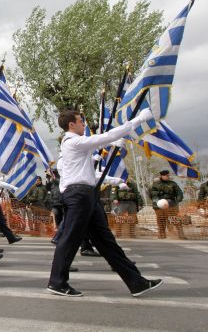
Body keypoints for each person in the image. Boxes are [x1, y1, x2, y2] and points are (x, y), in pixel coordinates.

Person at [47, 108, 162, 297]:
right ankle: (57, 282)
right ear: (71, 125)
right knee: (69, 239)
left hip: (86, 195)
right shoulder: (72, 142)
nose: (84, 124)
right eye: (81, 121)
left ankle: (136, 282)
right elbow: (105, 137)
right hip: (78, 195)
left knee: (107, 242)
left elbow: (96, 154)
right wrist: (139, 120)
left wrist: (106, 150)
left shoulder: (77, 145)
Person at [150, 170, 185, 239]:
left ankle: (181, 235)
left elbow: (179, 193)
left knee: (175, 219)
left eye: (168, 175)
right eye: (166, 175)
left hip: (171, 203)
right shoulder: (156, 184)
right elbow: (153, 195)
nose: (168, 177)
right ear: (161, 176)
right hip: (160, 205)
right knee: (161, 220)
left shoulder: (173, 184)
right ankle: (162, 235)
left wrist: (178, 200)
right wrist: (156, 204)